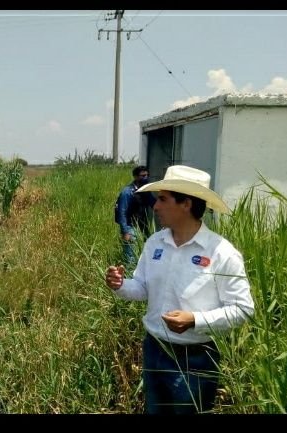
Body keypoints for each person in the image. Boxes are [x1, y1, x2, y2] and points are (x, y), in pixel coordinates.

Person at [106, 165, 254, 414]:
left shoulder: (221, 253)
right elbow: (142, 287)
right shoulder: (155, 243)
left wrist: (195, 320)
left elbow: (243, 309)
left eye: (163, 199)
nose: (155, 206)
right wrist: (121, 285)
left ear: (186, 204)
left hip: (194, 360)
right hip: (154, 350)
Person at [114, 165, 156, 264]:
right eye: (143, 176)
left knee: (144, 256)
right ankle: (128, 277)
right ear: (136, 177)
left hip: (143, 227)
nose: (146, 178)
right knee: (131, 258)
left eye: (147, 175)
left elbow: (154, 204)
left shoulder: (145, 191)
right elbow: (122, 212)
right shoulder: (127, 192)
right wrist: (125, 232)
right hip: (130, 227)